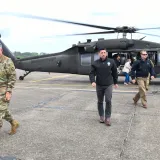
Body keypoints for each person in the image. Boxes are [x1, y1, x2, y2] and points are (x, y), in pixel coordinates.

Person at [89, 48, 118, 126]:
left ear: (106, 53)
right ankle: (101, 116)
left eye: (104, 52)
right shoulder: (95, 63)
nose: (103, 54)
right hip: (99, 85)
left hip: (108, 84)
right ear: (99, 54)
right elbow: (91, 73)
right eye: (101, 52)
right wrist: (93, 81)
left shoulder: (111, 61)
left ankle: (108, 117)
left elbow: (115, 72)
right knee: (100, 101)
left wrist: (115, 82)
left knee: (108, 100)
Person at [0, 43, 19, 135]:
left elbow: (12, 77)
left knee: (0, 112)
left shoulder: (7, 61)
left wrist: (9, 91)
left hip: (3, 91)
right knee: (4, 111)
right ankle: (13, 122)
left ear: (1, 50)